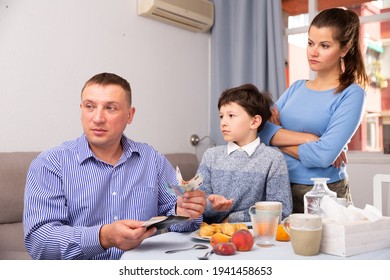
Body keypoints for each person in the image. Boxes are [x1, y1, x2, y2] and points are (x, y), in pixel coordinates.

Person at [23, 72, 207, 260]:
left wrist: (184, 212)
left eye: (110, 108)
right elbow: (39, 242)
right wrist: (104, 237)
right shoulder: (50, 164)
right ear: (81, 109)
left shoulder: (152, 160)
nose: (97, 118)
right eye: (90, 107)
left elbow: (181, 222)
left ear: (130, 115)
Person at [259, 8, 369, 213]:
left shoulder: (352, 95)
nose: (313, 52)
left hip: (324, 192)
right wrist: (310, 139)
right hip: (279, 186)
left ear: (344, 49)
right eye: (310, 43)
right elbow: (260, 130)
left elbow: (322, 157)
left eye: (324, 45)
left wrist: (278, 134)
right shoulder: (297, 88)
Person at [198, 84, 292, 224]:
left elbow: (281, 211)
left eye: (231, 116)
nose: (223, 122)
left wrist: (232, 219)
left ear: (254, 121)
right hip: (210, 237)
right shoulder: (211, 156)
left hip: (254, 238)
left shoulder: (273, 159)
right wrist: (212, 205)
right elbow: (197, 205)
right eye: (221, 116)